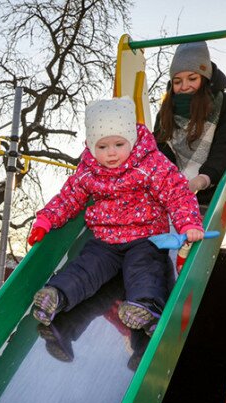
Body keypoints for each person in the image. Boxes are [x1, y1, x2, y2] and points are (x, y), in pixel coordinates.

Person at [27, 97, 204, 336]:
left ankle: (145, 307)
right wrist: (46, 220)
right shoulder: (89, 169)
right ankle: (56, 296)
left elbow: (177, 192)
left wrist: (188, 223)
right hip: (106, 240)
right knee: (86, 268)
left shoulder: (150, 163)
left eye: (119, 144)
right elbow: (68, 197)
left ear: (131, 139)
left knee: (146, 269)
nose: (111, 153)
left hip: (146, 237)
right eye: (102, 146)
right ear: (91, 146)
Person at [153, 41, 226, 208]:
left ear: (205, 77)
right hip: (177, 190)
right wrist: (170, 182)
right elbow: (160, 149)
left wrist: (204, 178)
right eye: (177, 81)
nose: (184, 86)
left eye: (192, 78)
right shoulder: (167, 111)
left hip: (217, 183)